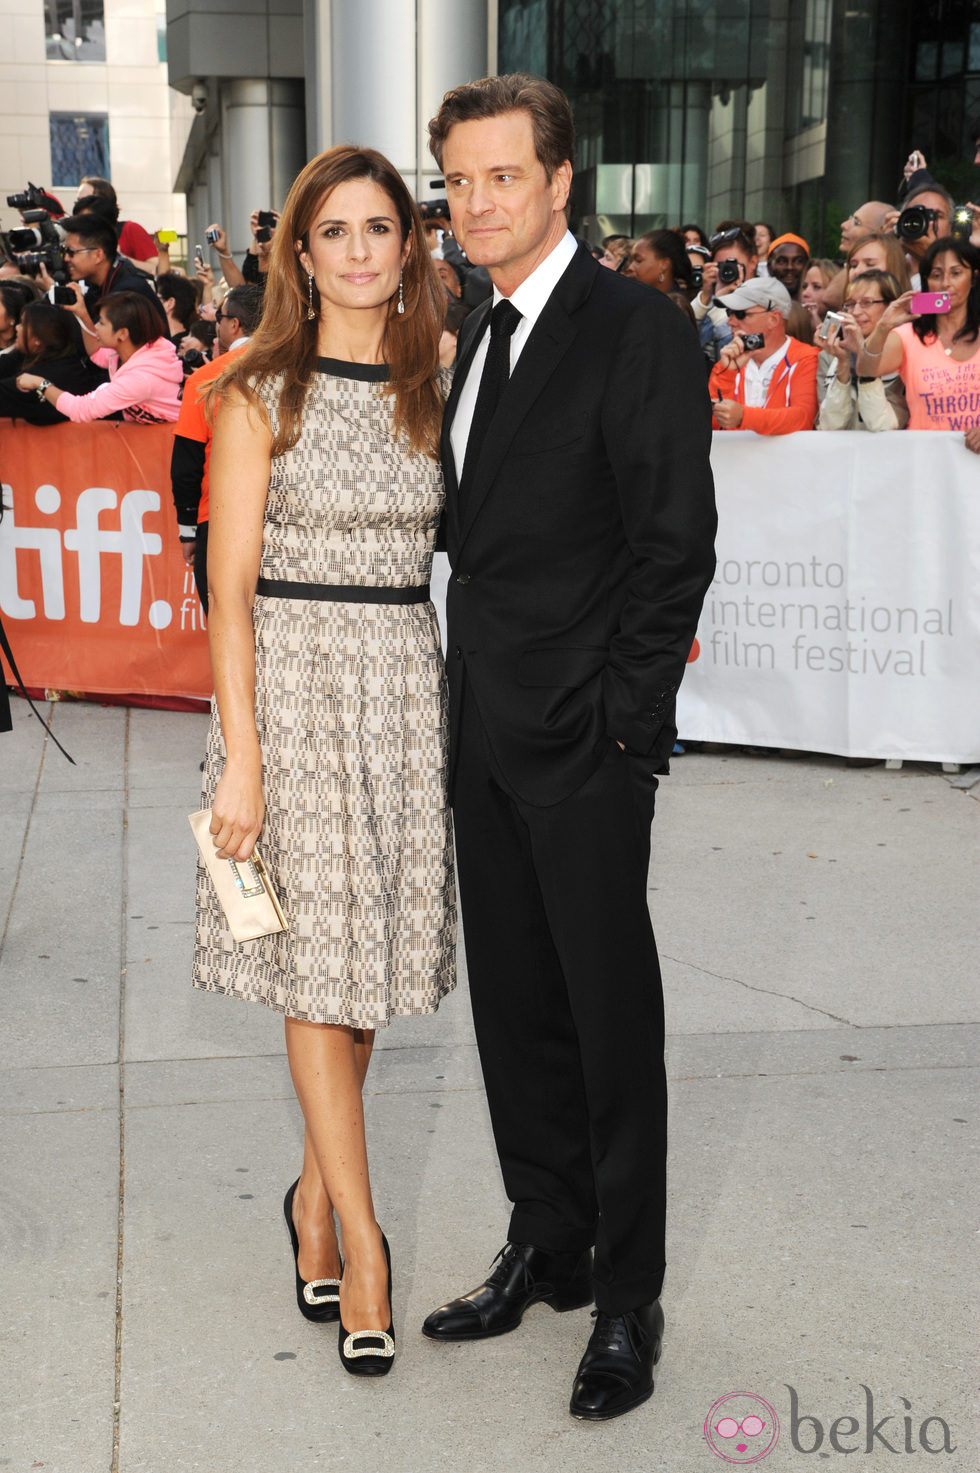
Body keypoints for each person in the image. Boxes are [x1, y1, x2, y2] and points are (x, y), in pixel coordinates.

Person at [422, 72, 716, 1421]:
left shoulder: (636, 330)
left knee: (609, 1019)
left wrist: (626, 727)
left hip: (584, 739)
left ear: (559, 182)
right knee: (517, 1008)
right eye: (458, 179)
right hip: (483, 720)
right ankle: (548, 1238)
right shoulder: (478, 328)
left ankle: (630, 1294)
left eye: (498, 176)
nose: (474, 201)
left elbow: (674, 547)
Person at [193, 143, 455, 1379]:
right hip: (291, 688)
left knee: (367, 976)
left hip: (402, 682)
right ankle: (361, 1239)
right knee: (318, 972)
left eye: (377, 228)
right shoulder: (257, 388)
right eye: (332, 231)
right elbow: (228, 593)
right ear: (299, 253)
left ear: (408, 246)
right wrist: (240, 763)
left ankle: (307, 1195)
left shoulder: (436, 380)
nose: (357, 250)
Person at [171, 284, 263, 608]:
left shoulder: (207, 378)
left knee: (227, 629)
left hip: (221, 520)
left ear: (233, 324)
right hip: (286, 520)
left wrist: (187, 531)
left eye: (219, 318)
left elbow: (186, 466)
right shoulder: (299, 371)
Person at [857, 236, 980, 452]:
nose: (946, 284)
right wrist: (883, 325)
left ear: (974, 278)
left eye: (956, 273)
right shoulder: (908, 335)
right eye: (936, 275)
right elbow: (866, 369)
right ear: (925, 282)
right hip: (927, 465)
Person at [16, 291, 181, 423]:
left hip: (170, 448)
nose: (95, 327)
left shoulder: (139, 379)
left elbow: (80, 410)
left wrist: (41, 384)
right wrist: (83, 315)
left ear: (123, 334)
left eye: (101, 323)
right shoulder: (139, 349)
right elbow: (96, 353)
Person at [709, 277, 820, 434]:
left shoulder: (806, 358)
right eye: (729, 313)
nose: (730, 322)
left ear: (773, 319)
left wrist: (743, 416)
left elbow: (802, 419)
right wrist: (727, 374)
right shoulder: (726, 365)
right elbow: (709, 425)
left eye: (740, 314)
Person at [816, 270, 909, 431]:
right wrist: (843, 366)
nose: (856, 312)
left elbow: (881, 425)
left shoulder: (905, 354)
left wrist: (864, 356)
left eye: (866, 303)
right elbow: (829, 425)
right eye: (850, 304)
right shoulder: (830, 356)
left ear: (891, 307)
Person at [0, 300, 107, 423]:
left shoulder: (42, 377)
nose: (17, 328)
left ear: (38, 339)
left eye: (23, 324)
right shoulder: (41, 355)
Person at [75, 175, 161, 272]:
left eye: (85, 201)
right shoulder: (77, 236)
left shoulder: (130, 229)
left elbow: (156, 270)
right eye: (78, 201)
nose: (79, 206)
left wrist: (120, 258)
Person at [623, 229, 691, 293]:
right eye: (631, 260)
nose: (630, 267)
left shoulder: (677, 303)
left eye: (638, 260)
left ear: (664, 265)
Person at [766, 232, 809, 300]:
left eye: (798, 261)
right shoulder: (756, 305)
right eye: (782, 262)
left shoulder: (818, 306)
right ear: (769, 267)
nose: (790, 267)